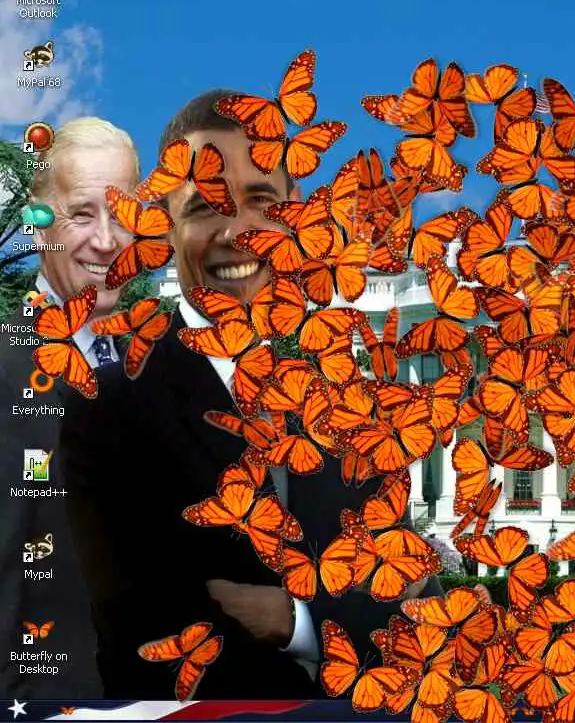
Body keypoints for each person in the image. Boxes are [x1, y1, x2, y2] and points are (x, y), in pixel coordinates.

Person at [57, 91, 443, 700]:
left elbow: (421, 613)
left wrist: (292, 621)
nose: (237, 232)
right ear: (166, 225)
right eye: (204, 206)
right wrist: (350, 622)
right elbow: (146, 638)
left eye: (261, 200)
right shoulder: (109, 405)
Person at [0, 117, 139, 699]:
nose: (107, 240)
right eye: (82, 214)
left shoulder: (156, 368)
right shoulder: (6, 369)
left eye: (122, 213)